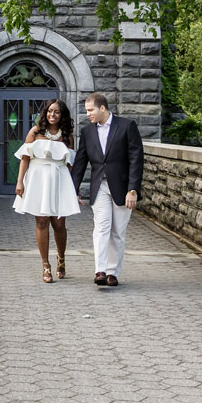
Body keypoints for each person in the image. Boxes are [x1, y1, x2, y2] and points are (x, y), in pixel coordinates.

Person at [70, 92, 144, 287]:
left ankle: (113, 272)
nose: (88, 114)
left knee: (118, 231)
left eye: (90, 110)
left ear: (102, 108)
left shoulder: (127, 126)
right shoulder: (87, 132)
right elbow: (80, 162)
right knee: (101, 227)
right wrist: (73, 188)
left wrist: (133, 190)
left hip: (123, 187)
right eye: (87, 110)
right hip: (99, 186)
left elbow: (136, 159)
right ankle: (100, 270)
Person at [11, 98, 79, 283]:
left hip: (59, 179)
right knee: (41, 222)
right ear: (45, 113)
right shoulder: (35, 132)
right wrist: (20, 182)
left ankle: (61, 258)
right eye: (49, 111)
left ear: (62, 114)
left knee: (59, 225)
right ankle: (45, 266)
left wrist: (72, 190)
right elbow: (25, 158)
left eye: (56, 112)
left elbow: (70, 164)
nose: (52, 115)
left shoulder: (67, 136)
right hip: (37, 179)